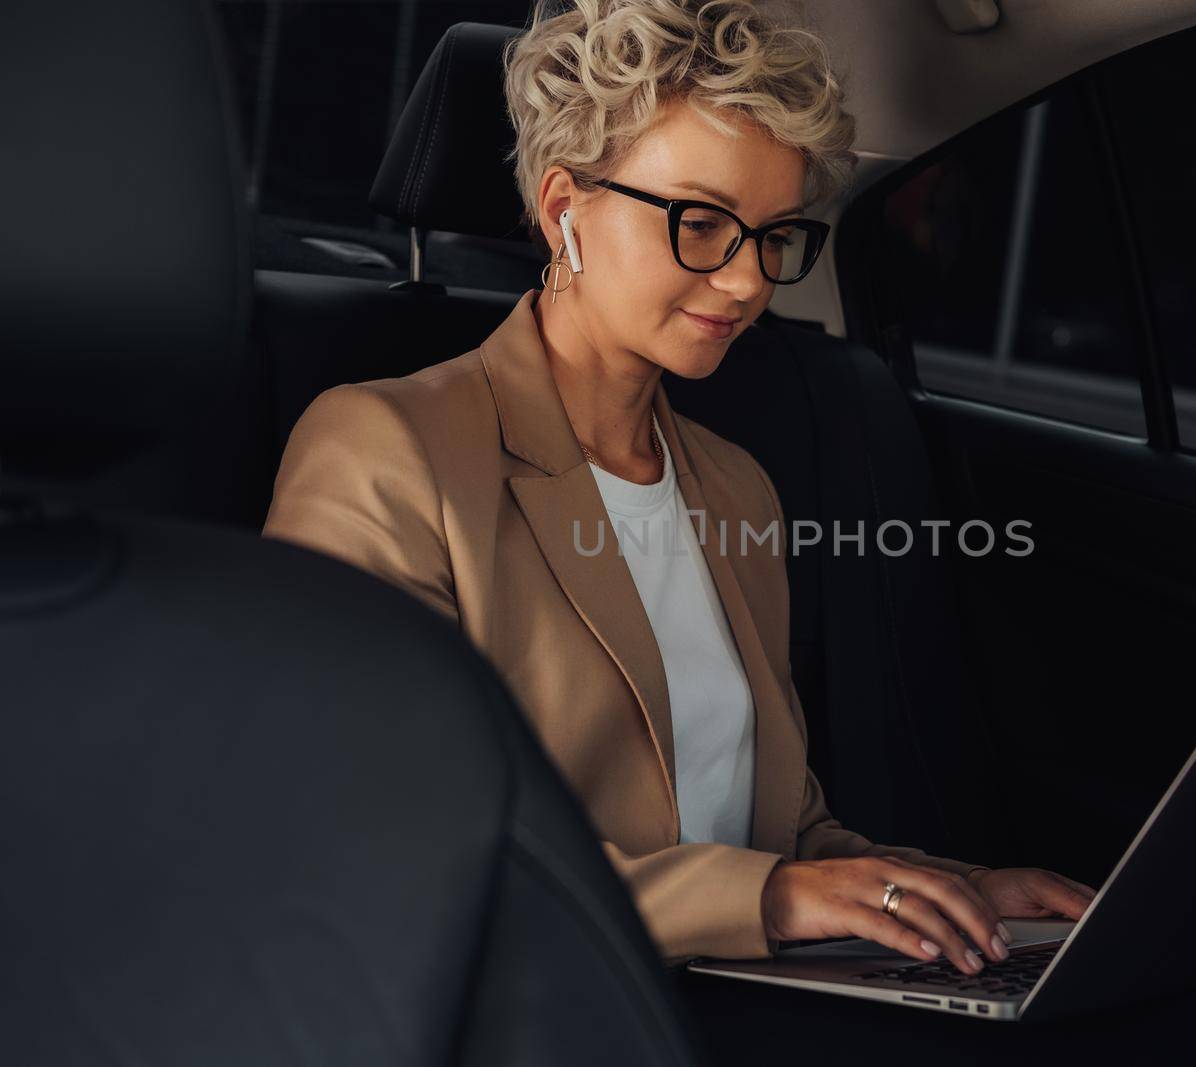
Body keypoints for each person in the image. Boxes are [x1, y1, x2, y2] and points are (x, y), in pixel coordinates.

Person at [262, 0, 1092, 976]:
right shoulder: (384, 447)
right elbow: (373, 838)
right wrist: (767, 900)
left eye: (773, 234)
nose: (748, 282)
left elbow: (781, 826)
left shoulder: (736, 487)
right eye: (701, 223)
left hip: (740, 993)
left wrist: (942, 890)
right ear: (565, 210)